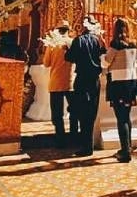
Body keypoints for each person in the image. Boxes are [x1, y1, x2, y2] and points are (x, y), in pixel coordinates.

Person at [65, 15, 106, 157]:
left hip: (82, 78)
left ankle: (85, 145)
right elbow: (103, 55)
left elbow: (69, 58)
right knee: (91, 112)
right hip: (94, 79)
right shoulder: (97, 41)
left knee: (81, 112)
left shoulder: (78, 41)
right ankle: (89, 145)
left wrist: (66, 48)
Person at [104, 18, 137, 163]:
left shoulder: (115, 44)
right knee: (127, 115)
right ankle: (128, 146)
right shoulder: (133, 44)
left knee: (121, 118)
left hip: (118, 83)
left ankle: (125, 151)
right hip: (130, 82)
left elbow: (106, 61)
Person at [42, 20, 78, 148]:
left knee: (57, 113)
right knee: (74, 110)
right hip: (70, 82)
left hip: (56, 82)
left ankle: (60, 138)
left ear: (57, 30)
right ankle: (74, 135)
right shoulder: (72, 42)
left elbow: (46, 63)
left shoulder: (52, 44)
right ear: (68, 30)